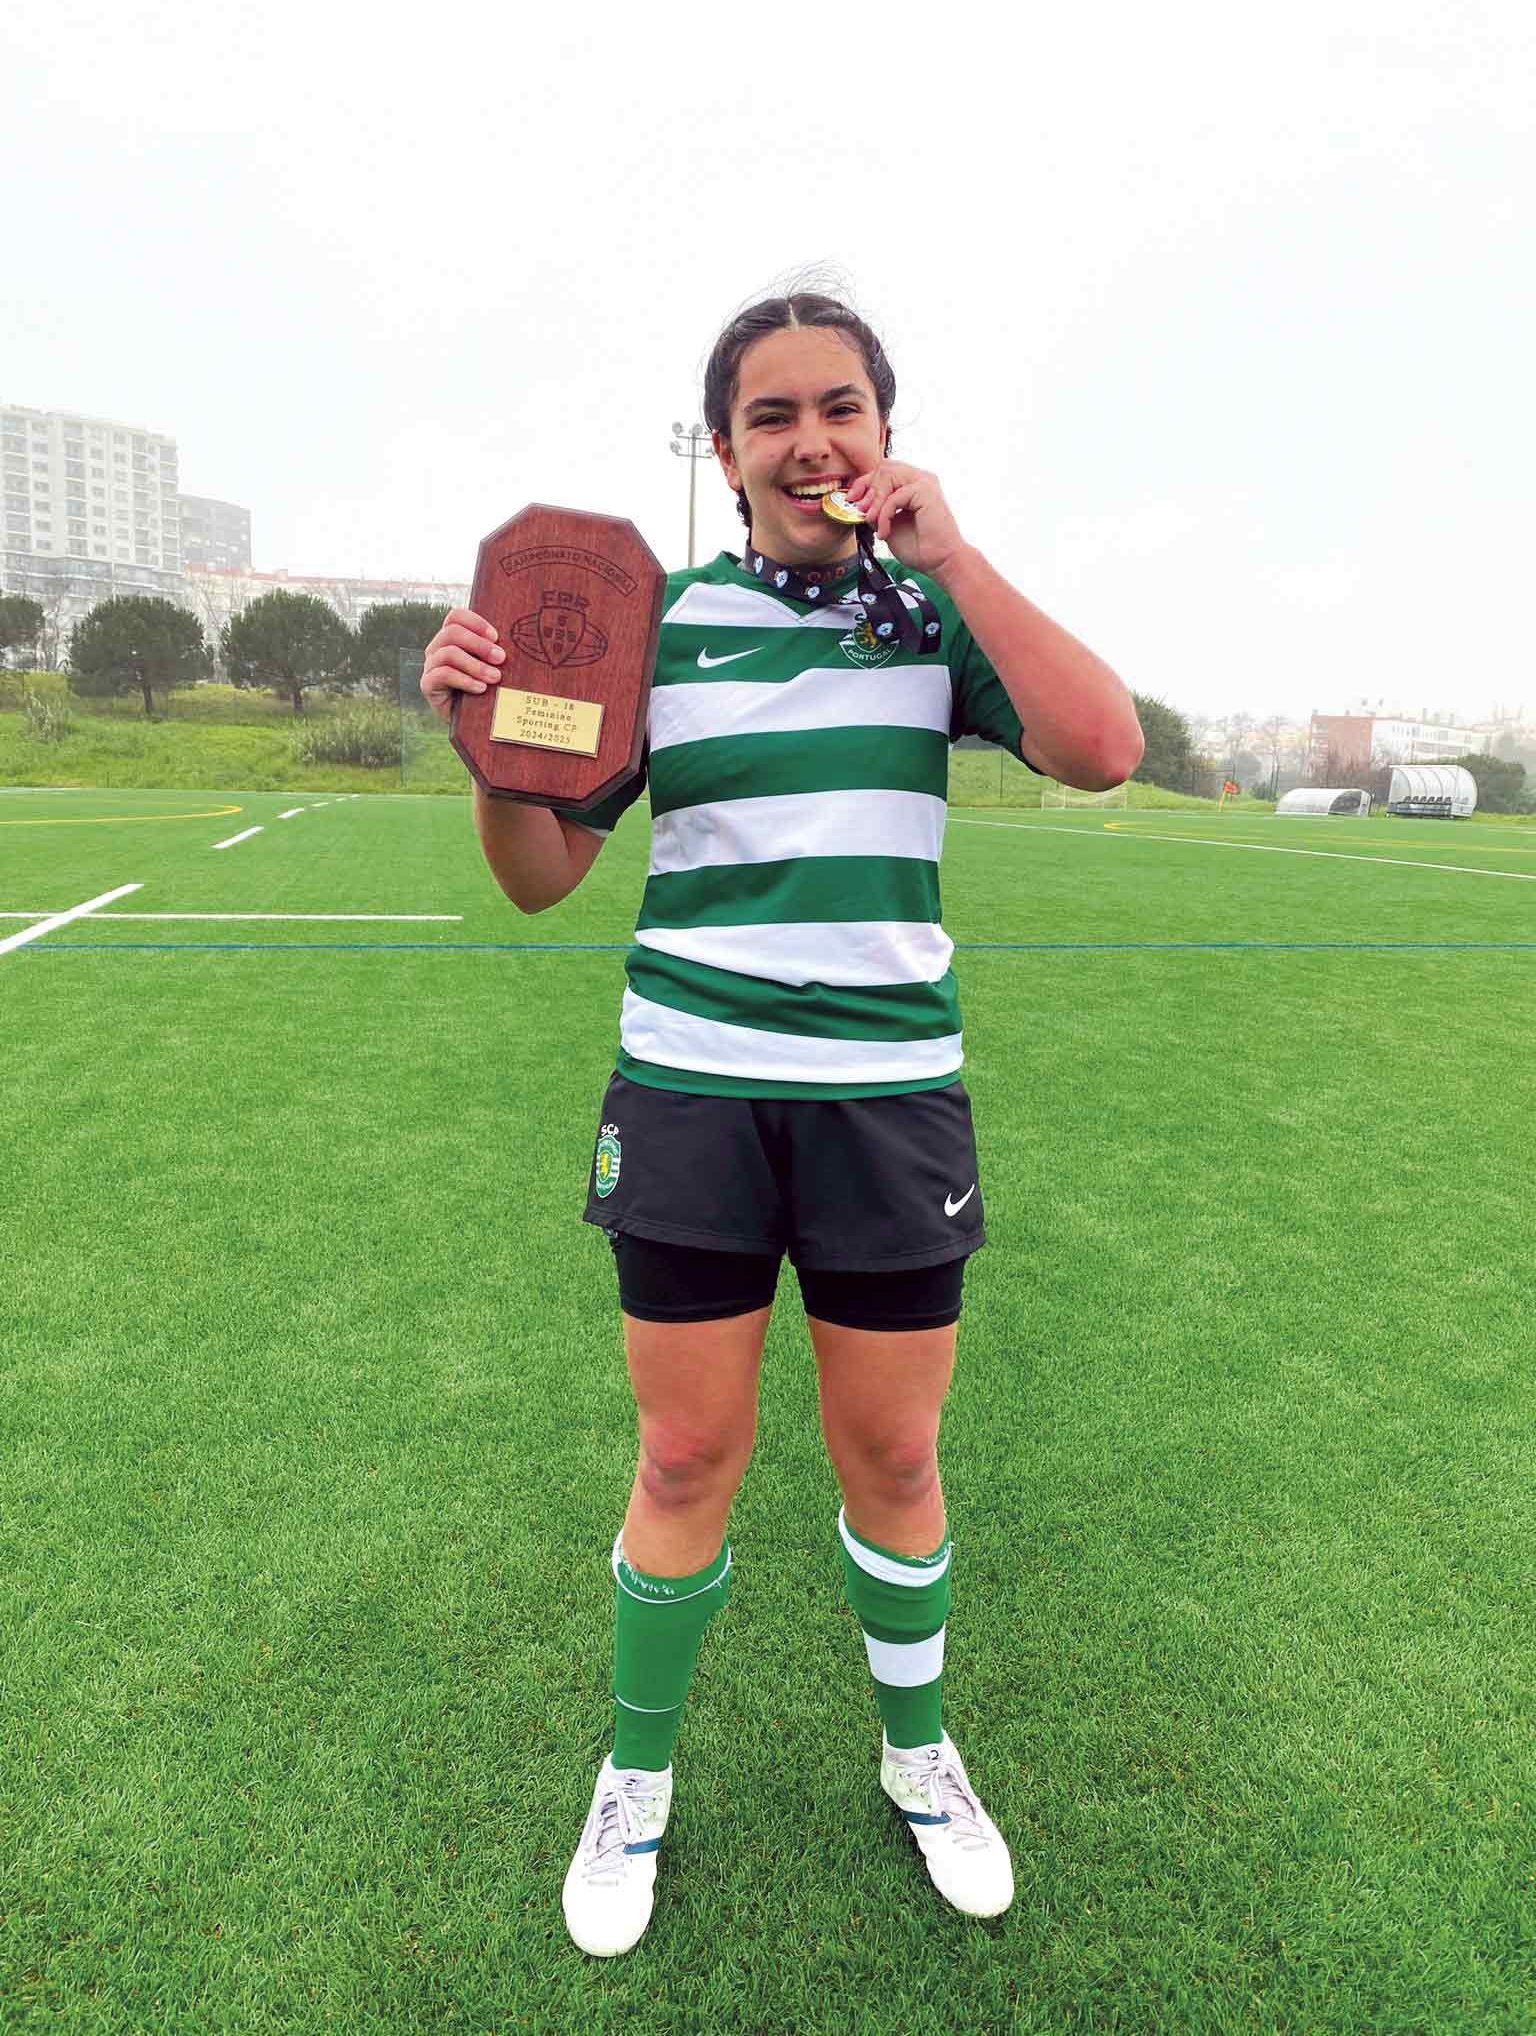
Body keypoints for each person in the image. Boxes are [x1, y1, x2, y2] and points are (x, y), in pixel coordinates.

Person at [420, 288, 1143, 1959]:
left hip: (887, 1106)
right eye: (771, 414)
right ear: (725, 449)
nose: (810, 440)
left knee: (896, 1455)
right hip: (690, 1094)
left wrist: (955, 556)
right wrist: (488, 752)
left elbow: (1104, 747)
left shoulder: (930, 615)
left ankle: (919, 1754)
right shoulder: (651, 628)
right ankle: (636, 1775)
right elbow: (538, 881)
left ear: (884, 431)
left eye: (840, 408)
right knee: (685, 1455)